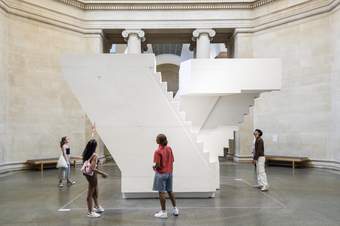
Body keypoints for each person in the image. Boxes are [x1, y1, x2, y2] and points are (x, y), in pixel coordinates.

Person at [82, 125, 108, 218]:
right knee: (90, 192)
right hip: (91, 174)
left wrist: (93, 131)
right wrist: (103, 173)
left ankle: (96, 206)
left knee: (95, 190)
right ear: (94, 147)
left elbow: (91, 141)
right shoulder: (94, 155)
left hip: (87, 174)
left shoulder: (86, 152)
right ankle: (90, 212)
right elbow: (93, 168)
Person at [152, 134, 179, 219]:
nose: (155, 139)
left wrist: (154, 167)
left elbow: (158, 165)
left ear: (159, 141)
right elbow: (172, 160)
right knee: (170, 191)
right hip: (169, 173)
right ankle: (175, 209)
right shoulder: (169, 148)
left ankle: (164, 212)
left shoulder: (157, 151)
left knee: (161, 192)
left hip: (161, 174)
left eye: (156, 138)